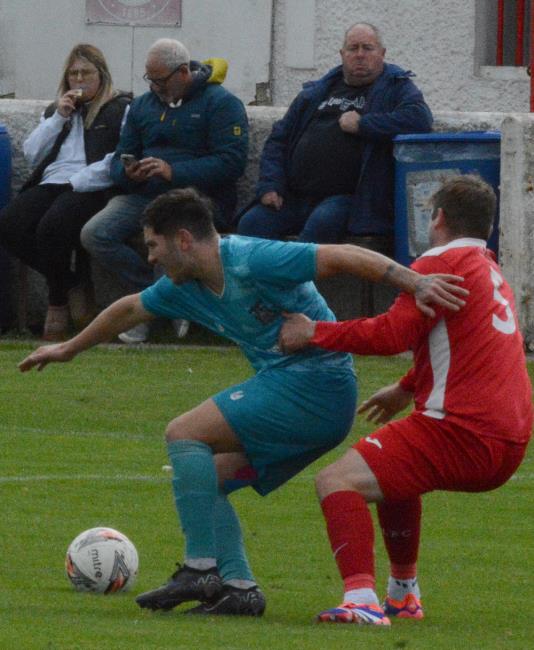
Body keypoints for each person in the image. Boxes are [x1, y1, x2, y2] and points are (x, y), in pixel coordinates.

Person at [19, 187, 467, 617]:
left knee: (183, 433)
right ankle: (238, 588)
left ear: (183, 240)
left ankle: (199, 568)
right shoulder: (185, 284)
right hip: (301, 402)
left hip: (318, 385)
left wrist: (415, 282)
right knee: (207, 479)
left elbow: (342, 255)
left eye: (154, 245)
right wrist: (68, 349)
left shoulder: (253, 259)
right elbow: (130, 310)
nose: (150, 256)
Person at [278, 175, 533, 626]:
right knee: (393, 475)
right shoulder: (488, 266)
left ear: (437, 218)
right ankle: (403, 596)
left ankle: (361, 600)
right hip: (509, 441)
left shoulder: (438, 261)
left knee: (336, 482)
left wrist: (313, 332)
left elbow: (391, 334)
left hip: (461, 429)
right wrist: (406, 387)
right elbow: (469, 345)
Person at [80, 38, 249, 344]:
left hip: (197, 200)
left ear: (183, 72)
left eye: (159, 80)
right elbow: (121, 156)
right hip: (145, 194)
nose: (154, 86)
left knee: (170, 236)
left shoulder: (222, 103)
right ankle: (161, 297)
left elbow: (231, 162)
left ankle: (151, 310)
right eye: (150, 79)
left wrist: (175, 171)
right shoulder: (142, 105)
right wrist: (128, 172)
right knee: (95, 232)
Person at [237, 22, 432, 244]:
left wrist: (364, 125)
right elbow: (278, 140)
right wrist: (270, 185)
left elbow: (419, 119)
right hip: (295, 196)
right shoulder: (318, 91)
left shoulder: (395, 86)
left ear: (382, 53)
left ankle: (296, 279)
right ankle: (255, 280)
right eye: (353, 48)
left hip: (351, 200)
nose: (359, 55)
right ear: (342, 54)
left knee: (321, 223)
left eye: (367, 48)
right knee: (252, 224)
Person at [0, 44, 130, 341]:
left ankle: (56, 301)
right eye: (74, 74)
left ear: (101, 75)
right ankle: (71, 284)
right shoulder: (57, 111)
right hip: (53, 181)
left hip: (92, 184)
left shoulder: (119, 108)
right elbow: (32, 152)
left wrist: (80, 180)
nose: (80, 80)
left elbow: (118, 158)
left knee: (51, 228)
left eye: (86, 72)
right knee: (9, 224)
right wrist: (58, 116)